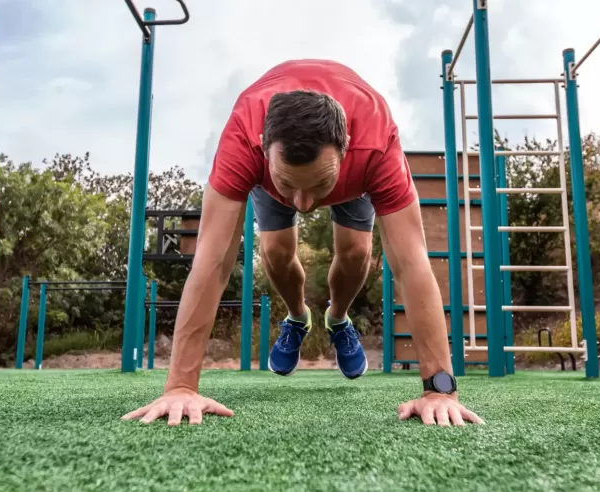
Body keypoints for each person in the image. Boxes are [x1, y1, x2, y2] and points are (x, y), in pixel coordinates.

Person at [122, 59, 483, 427]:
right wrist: (181, 386)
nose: (305, 205)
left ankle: (338, 320)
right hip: (275, 176)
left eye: (317, 187)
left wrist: (440, 390)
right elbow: (212, 262)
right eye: (290, 185)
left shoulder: (375, 143)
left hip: (348, 176)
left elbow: (411, 262)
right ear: (264, 148)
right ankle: (297, 318)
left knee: (358, 253)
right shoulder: (244, 137)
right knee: (276, 252)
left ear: (346, 150)